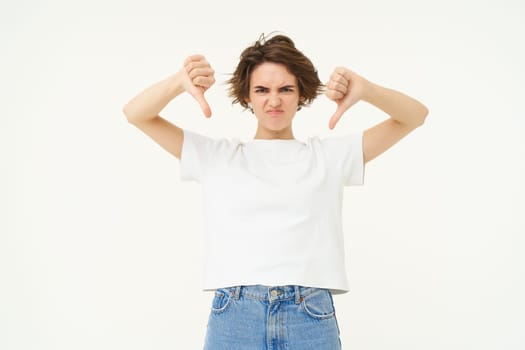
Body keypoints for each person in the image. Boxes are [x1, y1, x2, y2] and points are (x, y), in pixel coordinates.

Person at [123, 33, 428, 350]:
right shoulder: (217, 157)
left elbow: (415, 116)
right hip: (235, 315)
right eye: (262, 90)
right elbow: (135, 114)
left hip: (309, 314)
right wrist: (177, 83)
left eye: (285, 89)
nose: (274, 100)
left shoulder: (328, 157)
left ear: (301, 95)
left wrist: (367, 91)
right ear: (247, 97)